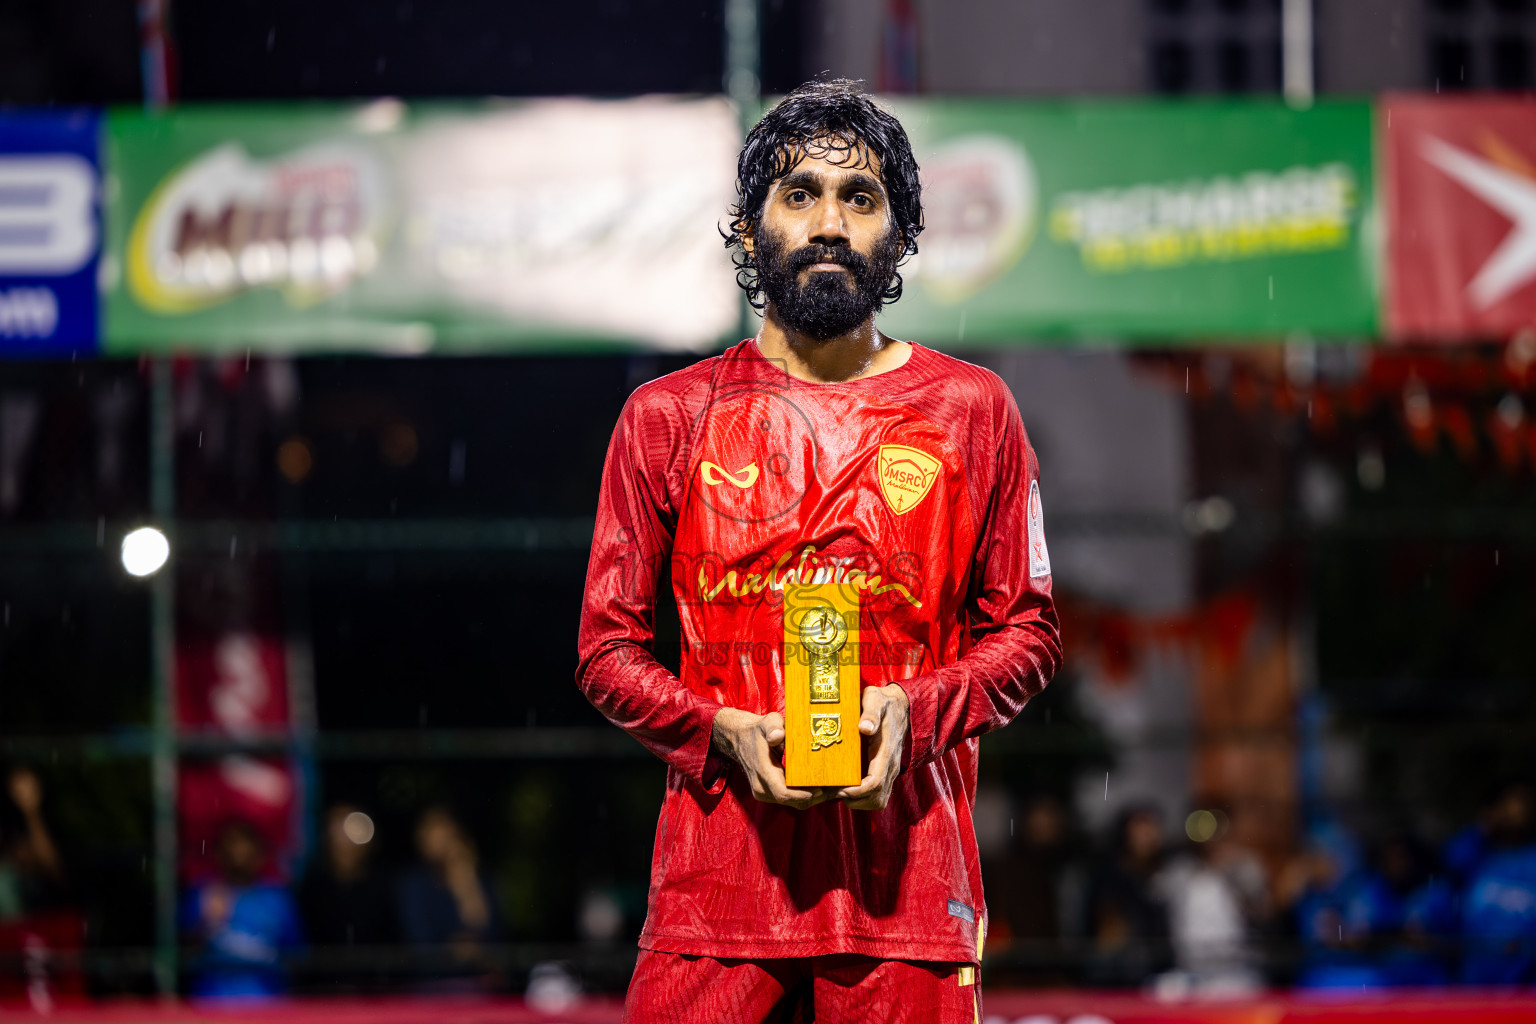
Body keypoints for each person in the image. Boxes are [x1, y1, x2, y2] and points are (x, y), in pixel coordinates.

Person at [575, 77, 1062, 1021]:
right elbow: (605, 653)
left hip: (909, 899)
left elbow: (1030, 635)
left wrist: (912, 717)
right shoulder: (667, 419)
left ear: (900, 233)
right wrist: (719, 731)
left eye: (860, 198)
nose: (829, 221)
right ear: (753, 228)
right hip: (713, 899)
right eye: (799, 194)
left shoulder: (972, 411)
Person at [180, 819, 303, 1000]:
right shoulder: (201, 893)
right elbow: (180, 954)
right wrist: (206, 923)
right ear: (219, 854)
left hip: (266, 1005)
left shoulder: (278, 899)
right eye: (232, 847)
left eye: (245, 848)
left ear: (259, 855)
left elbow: (296, 956)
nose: (238, 855)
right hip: (211, 1004)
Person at [394, 806, 502, 991]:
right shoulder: (413, 885)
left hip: (477, 987)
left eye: (443, 829)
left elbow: (493, 935)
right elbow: (421, 944)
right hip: (431, 987)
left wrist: (466, 882)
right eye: (430, 830)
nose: (438, 838)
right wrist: (460, 952)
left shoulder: (478, 881)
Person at [296, 804, 397, 990]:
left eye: (353, 827)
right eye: (336, 828)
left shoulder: (383, 888)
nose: (343, 837)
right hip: (321, 996)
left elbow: (393, 946)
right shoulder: (312, 888)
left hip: (375, 994)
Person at [0, 767, 67, 921]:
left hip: (43, 916)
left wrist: (31, 811)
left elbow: (55, 869)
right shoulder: (9, 823)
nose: (21, 789)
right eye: (17, 784)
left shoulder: (56, 820)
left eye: (26, 782)